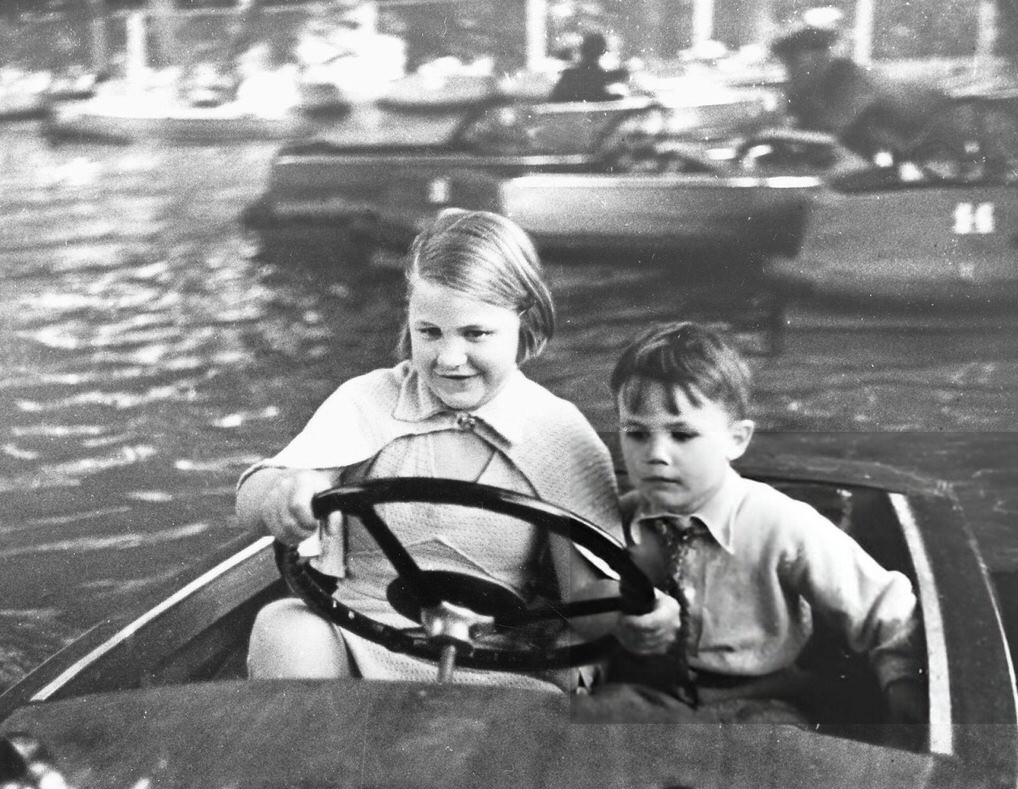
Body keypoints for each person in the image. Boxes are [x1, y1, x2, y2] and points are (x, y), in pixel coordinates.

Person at [235, 209, 636, 690]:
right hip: (360, 638)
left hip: (494, 663)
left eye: (475, 334)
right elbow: (253, 498)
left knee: (597, 671)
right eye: (429, 332)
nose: (448, 359)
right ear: (410, 318)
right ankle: (317, 761)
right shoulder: (370, 399)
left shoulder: (558, 433)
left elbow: (591, 604)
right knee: (284, 625)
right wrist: (285, 493)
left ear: (523, 317)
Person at [602, 322, 927, 723]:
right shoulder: (618, 519)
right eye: (635, 433)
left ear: (736, 440)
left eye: (682, 435)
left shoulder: (781, 524)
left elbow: (886, 607)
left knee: (779, 750)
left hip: (761, 700)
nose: (655, 454)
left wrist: (903, 686)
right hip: (651, 694)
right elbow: (579, 600)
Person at [769, 21, 951, 166]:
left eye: (793, 61)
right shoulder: (813, 88)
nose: (789, 70)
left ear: (820, 56)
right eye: (786, 62)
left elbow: (830, 133)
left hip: (938, 149)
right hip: (897, 155)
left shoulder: (850, 78)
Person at [549, 31, 629, 103]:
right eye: (602, 51)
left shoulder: (571, 74)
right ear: (601, 51)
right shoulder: (588, 74)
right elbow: (595, 92)